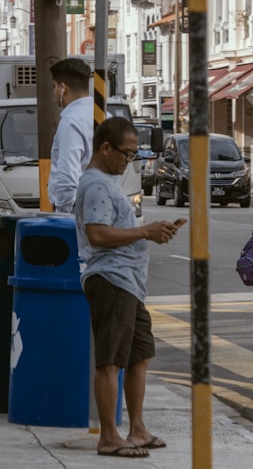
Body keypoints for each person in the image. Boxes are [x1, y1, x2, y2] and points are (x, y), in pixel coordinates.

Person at [77, 117, 181, 458]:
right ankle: (109, 435)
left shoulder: (109, 183)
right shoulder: (95, 185)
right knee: (110, 361)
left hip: (130, 285)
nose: (129, 161)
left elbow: (118, 228)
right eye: (126, 153)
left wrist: (152, 230)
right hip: (111, 280)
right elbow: (98, 234)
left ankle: (136, 429)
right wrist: (145, 232)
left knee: (140, 355)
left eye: (135, 155)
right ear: (105, 148)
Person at [48, 57, 94, 213]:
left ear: (63, 88)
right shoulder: (104, 115)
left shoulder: (70, 122)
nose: (54, 93)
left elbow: (68, 175)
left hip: (77, 210)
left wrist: (63, 211)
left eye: (54, 87)